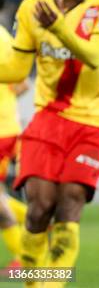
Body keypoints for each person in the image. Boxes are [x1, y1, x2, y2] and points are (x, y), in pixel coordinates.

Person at [0, 0, 99, 287]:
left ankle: (49, 285)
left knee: (69, 204)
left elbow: (98, 58)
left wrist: (58, 28)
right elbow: (15, 69)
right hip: (48, 119)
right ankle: (33, 281)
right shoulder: (30, 8)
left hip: (95, 122)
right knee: (38, 208)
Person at [0, 24, 28, 270]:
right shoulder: (5, 37)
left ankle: (25, 258)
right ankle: (36, 220)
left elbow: (22, 83)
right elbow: (22, 85)